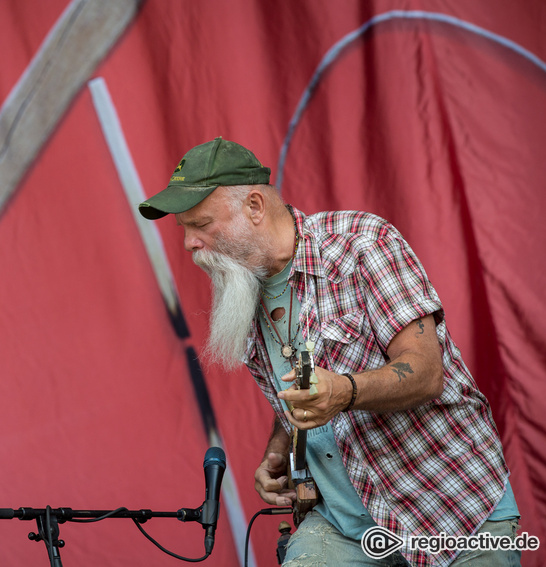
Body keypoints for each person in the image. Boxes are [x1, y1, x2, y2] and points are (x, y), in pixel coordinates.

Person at [138, 137, 520, 567]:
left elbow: (427, 372)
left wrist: (343, 392)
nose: (190, 242)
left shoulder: (361, 244)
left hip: (450, 512)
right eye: (183, 229)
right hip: (344, 526)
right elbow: (303, 383)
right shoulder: (243, 287)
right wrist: (279, 449)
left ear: (255, 207)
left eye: (202, 223)